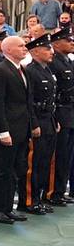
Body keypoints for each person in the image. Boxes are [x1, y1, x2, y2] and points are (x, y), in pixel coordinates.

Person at [0, 35, 36, 224]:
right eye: (21, 46)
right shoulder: (0, 70)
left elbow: (26, 102)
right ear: (8, 49)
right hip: (8, 129)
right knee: (2, 170)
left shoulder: (20, 69)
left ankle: (7, 207)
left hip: (21, 128)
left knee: (16, 169)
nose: (25, 48)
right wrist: (2, 131)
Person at [19, 34, 56, 215]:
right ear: (35, 51)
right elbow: (30, 100)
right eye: (47, 49)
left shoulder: (46, 70)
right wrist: (34, 123)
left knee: (44, 162)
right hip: (37, 121)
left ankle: (39, 197)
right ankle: (29, 200)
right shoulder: (31, 71)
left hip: (48, 120)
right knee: (32, 164)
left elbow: (51, 99)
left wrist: (53, 120)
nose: (51, 52)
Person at [47, 28, 74, 205]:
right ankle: (53, 192)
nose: (71, 42)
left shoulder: (68, 61)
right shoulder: (53, 62)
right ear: (56, 44)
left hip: (70, 112)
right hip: (60, 112)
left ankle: (61, 190)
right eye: (67, 40)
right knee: (59, 156)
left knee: (69, 155)